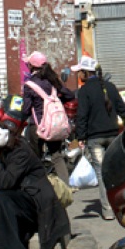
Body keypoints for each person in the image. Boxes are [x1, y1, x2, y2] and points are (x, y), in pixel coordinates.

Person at [0, 119, 71, 249]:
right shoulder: (0, 152)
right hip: (20, 201)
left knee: (2, 199)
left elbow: (5, 182)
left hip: (36, 203)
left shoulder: (19, 151)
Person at [73, 55, 125, 220]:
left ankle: (108, 211)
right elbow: (122, 109)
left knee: (101, 173)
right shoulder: (110, 87)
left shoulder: (84, 91)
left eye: (79, 72)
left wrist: (81, 137)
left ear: (85, 72)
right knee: (116, 172)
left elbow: (82, 115)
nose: (78, 75)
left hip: (95, 140)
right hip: (113, 136)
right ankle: (121, 206)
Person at [21, 51, 75, 183]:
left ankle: (41, 187)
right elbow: (70, 95)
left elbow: (26, 109)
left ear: (31, 66)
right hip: (54, 125)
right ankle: (66, 187)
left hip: (37, 126)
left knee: (36, 157)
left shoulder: (29, 85)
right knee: (57, 156)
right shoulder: (53, 82)